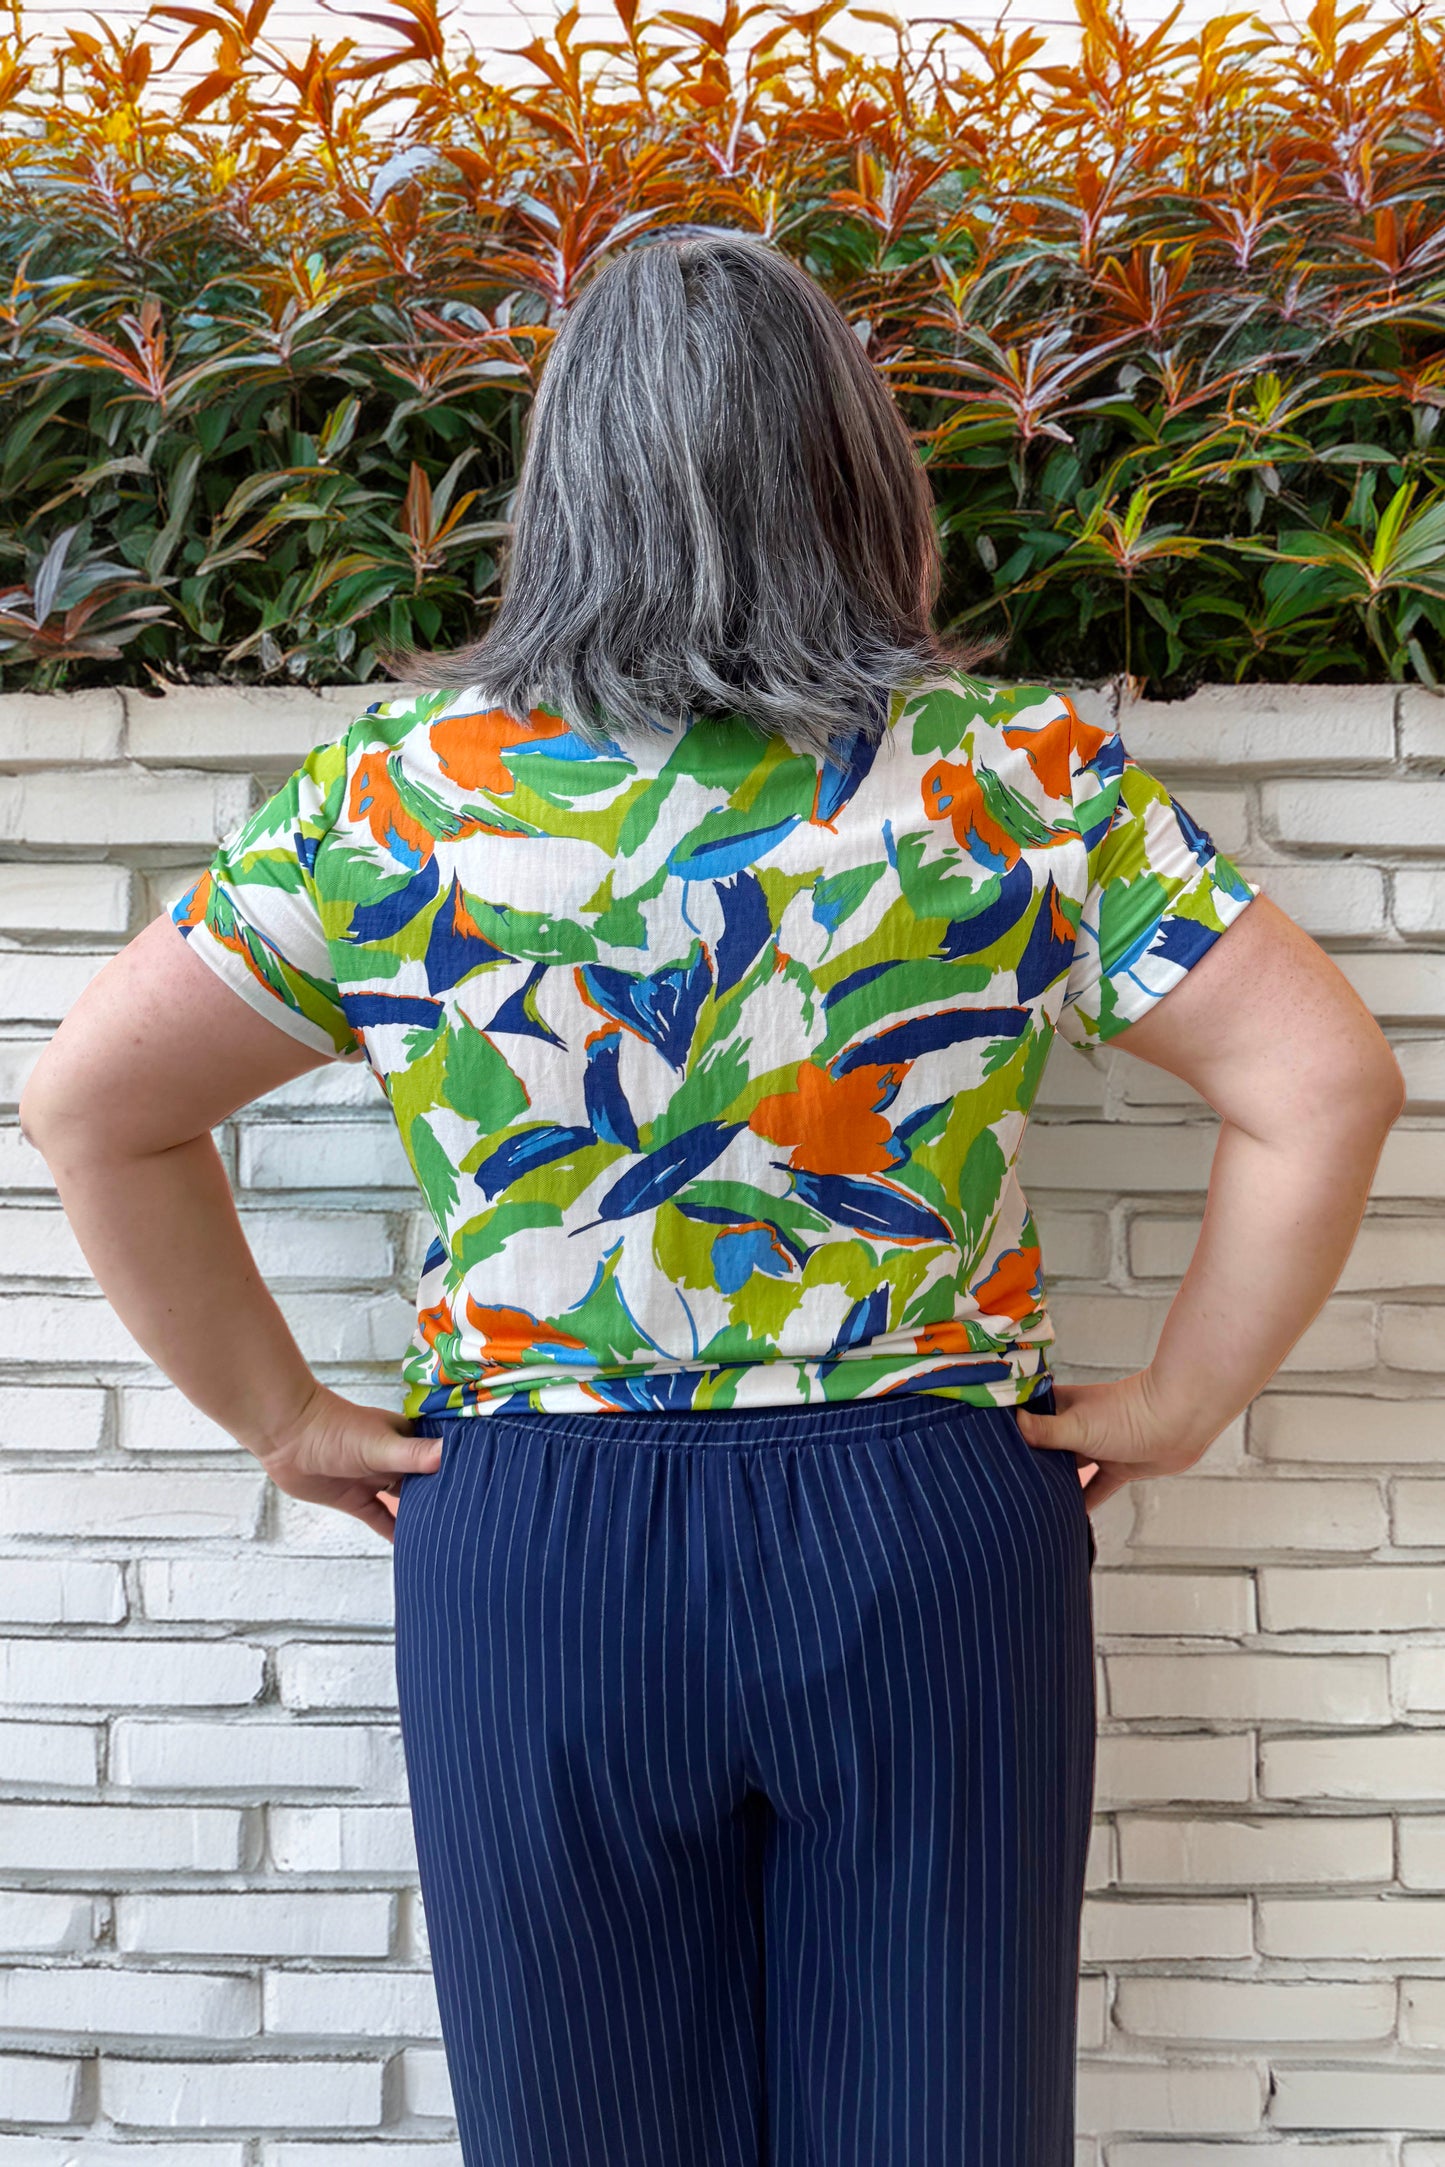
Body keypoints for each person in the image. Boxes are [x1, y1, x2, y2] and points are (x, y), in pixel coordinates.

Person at [20, 230, 1403, 2167]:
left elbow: (94, 1102)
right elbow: (1327, 1080)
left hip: (537, 1537)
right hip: (926, 1517)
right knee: (942, 2125)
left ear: (564, 481)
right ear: (861, 472)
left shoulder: (406, 793)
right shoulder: (1016, 778)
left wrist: (286, 1419)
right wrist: (1181, 1404)